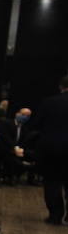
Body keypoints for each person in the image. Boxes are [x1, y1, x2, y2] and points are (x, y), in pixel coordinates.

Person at [32, 77, 68, 223]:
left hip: (51, 149)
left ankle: (55, 215)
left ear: (61, 86)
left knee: (52, 183)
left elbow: (37, 124)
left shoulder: (49, 102)